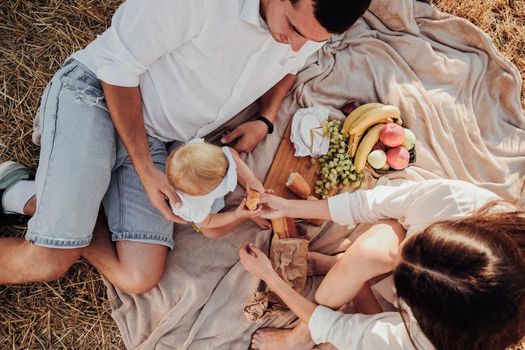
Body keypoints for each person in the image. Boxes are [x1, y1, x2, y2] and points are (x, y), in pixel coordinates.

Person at [0, 0, 372, 293]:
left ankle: (33, 194)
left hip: (161, 140)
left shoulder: (302, 34)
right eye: (292, 27)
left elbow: (292, 64)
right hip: (97, 97)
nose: (296, 45)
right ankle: (56, 210)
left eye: (311, 40)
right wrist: (145, 169)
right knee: (50, 259)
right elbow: (115, 66)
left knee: (139, 275)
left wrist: (266, 117)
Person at [239, 179, 525, 350]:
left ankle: (299, 339)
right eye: (410, 244)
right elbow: (373, 203)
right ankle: (341, 274)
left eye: (397, 274)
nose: (392, 258)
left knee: (357, 278)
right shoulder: (456, 201)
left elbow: (339, 328)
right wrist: (290, 207)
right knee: (366, 253)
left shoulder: (421, 342)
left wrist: (270, 277)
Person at [165, 141, 270, 237]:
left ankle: (248, 187)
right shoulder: (191, 207)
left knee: (231, 152)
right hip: (205, 211)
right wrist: (236, 215)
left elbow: (229, 156)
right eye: (222, 180)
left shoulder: (198, 153)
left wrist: (250, 179)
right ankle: (247, 215)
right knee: (211, 232)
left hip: (205, 177)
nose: (226, 173)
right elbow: (209, 221)